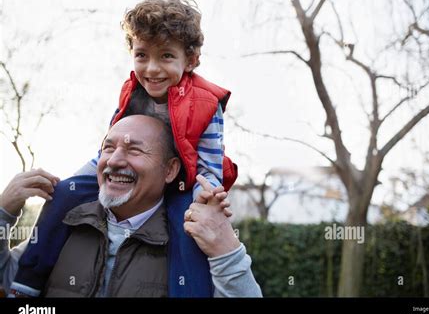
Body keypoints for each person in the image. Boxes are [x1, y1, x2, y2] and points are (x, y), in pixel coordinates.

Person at [11, 0, 238, 297]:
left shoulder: (205, 105)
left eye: (166, 56)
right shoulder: (132, 95)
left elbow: (210, 162)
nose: (152, 69)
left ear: (191, 60)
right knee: (65, 193)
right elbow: (108, 150)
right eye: (142, 55)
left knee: (190, 231)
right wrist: (75, 182)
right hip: (131, 178)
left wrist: (205, 197)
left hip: (185, 184)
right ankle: (26, 283)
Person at [0, 115, 261, 297]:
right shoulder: (66, 222)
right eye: (107, 148)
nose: (113, 161)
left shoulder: (193, 242)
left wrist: (227, 249)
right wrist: (3, 212)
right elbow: (8, 280)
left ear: (170, 170)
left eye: (134, 150)